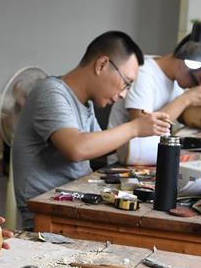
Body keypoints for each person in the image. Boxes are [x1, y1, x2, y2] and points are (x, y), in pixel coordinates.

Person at [12, 32, 172, 229]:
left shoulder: (85, 104)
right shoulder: (50, 92)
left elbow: (100, 146)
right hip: (49, 216)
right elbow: (77, 148)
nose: (123, 94)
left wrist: (140, 126)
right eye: (126, 83)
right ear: (102, 64)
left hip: (74, 207)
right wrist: (135, 127)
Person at [107, 42, 201, 162]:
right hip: (124, 161)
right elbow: (142, 129)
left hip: (151, 158)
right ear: (189, 61)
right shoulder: (144, 73)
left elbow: (180, 114)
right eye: (200, 79)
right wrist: (186, 99)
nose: (200, 85)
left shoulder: (176, 81)